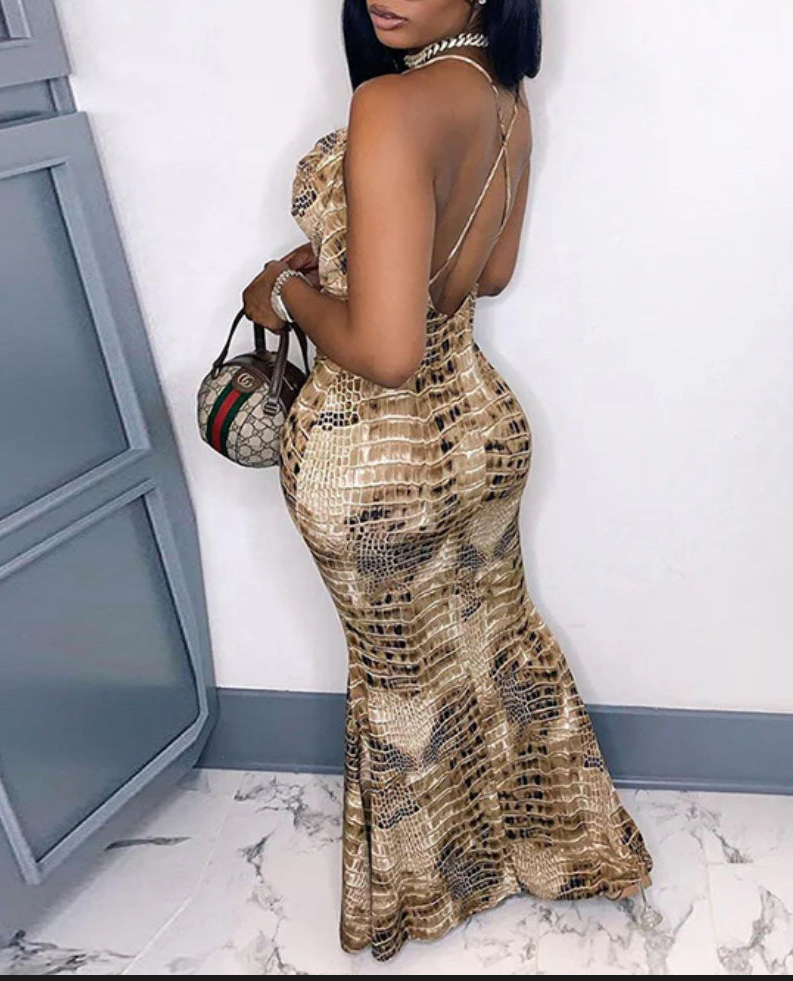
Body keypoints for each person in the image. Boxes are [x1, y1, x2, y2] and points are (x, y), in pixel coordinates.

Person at [241, 0, 653, 962]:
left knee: (402, 687)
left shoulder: (390, 104)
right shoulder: (504, 97)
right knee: (493, 653)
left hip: (370, 463)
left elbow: (386, 353)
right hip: (479, 433)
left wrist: (285, 293)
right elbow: (487, 275)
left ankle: (426, 896)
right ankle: (552, 849)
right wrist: (352, 260)